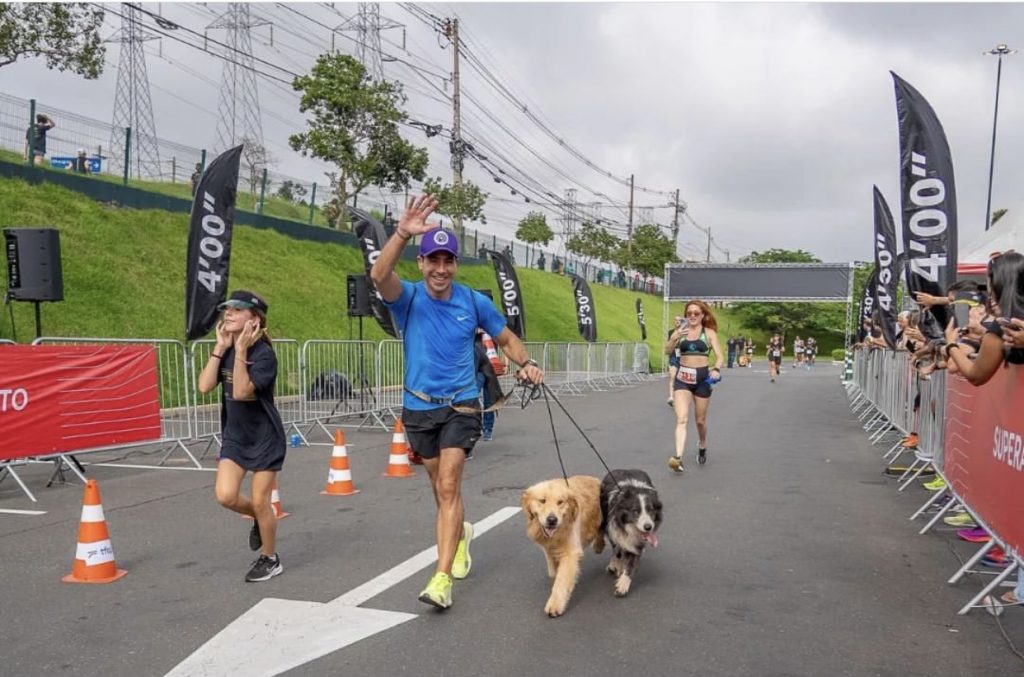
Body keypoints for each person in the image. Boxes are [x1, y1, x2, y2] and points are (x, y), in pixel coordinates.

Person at [370, 194, 544, 610]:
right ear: (422, 264)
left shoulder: (473, 301)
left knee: (449, 484)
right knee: (439, 486)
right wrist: (400, 233)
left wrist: (527, 361)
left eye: (448, 261)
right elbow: (378, 276)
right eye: (434, 260)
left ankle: (441, 578)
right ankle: (460, 532)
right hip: (419, 406)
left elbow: (507, 338)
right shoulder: (408, 297)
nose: (441, 269)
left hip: (463, 404)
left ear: (456, 266)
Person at [197, 290, 286, 583]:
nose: (229, 313)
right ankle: (262, 521)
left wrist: (243, 350)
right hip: (235, 436)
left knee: (262, 500)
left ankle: (270, 559)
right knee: (225, 495)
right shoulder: (228, 349)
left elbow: (241, 392)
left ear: (254, 318)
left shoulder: (264, 354)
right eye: (228, 309)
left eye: (237, 309)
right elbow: (205, 386)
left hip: (264, 437)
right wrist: (220, 348)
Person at [665, 300, 724, 471]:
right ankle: (678, 458)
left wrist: (716, 369)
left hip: (702, 380)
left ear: (703, 315)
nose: (692, 316)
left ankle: (702, 444)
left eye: (696, 313)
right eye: (689, 313)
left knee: (700, 421)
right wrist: (673, 339)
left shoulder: (709, 333)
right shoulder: (680, 332)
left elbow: (720, 356)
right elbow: (667, 351)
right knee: (682, 418)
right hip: (682, 379)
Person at [666, 314, 684, 406]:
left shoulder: (685, 332)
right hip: (673, 356)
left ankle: (681, 397)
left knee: (681, 379)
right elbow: (669, 344)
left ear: (682, 322)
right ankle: (671, 397)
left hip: (683, 357)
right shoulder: (671, 332)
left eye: (679, 320)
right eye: (675, 320)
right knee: (672, 376)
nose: (677, 322)